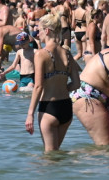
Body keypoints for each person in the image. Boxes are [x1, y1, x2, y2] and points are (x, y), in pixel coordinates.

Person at [25, 13, 80, 152]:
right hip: (66, 108)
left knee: (49, 158)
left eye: (39, 30)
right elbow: (77, 84)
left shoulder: (40, 54)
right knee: (57, 155)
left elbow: (38, 86)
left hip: (49, 108)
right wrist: (62, 88)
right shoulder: (67, 53)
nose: (38, 34)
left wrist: (30, 113)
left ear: (47, 31)